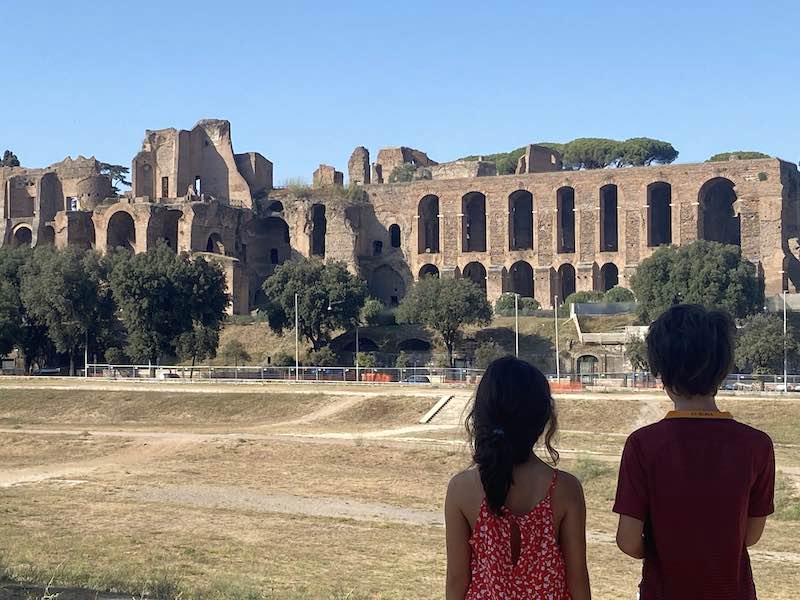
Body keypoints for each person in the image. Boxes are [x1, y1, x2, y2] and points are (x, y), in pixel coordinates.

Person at [614, 304, 775, 599]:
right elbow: (750, 536)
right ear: (724, 368)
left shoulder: (642, 445)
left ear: (660, 371)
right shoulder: (757, 445)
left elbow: (627, 540)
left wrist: (662, 551)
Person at [445, 356, 591, 599]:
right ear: (543, 419)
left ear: (480, 415)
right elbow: (578, 580)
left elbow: (457, 580)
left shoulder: (461, 489)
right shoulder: (566, 489)